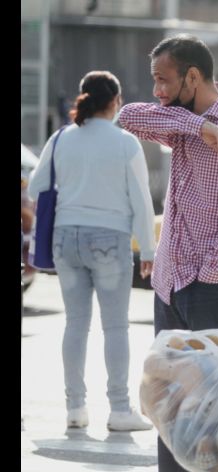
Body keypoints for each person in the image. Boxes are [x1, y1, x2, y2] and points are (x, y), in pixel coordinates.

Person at [118, 34, 218, 472]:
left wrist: (211, 275)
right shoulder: (183, 121)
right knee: (173, 412)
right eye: (154, 81)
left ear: (192, 76)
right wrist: (198, 127)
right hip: (169, 286)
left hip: (214, 289)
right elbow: (129, 116)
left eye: (164, 81)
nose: (157, 91)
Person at [28, 71, 156, 432]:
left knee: (75, 325)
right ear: (116, 102)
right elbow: (142, 201)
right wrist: (147, 248)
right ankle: (119, 410)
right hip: (109, 239)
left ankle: (75, 409)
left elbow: (37, 186)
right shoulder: (125, 143)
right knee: (115, 326)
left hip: (66, 238)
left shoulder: (60, 138)